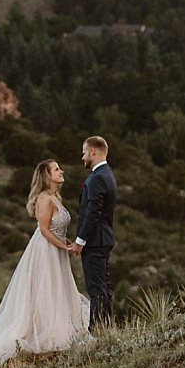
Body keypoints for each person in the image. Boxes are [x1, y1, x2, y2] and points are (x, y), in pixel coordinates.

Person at [0, 159, 89, 368]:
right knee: (45, 289)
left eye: (60, 167)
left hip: (57, 250)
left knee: (57, 290)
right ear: (46, 176)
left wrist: (66, 243)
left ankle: (54, 328)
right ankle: (42, 333)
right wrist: (64, 247)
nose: (61, 171)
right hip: (46, 251)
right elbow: (44, 230)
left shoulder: (55, 197)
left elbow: (55, 228)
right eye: (56, 169)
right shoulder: (44, 198)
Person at [72, 135, 117, 327]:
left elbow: (93, 213)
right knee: (103, 288)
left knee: (96, 288)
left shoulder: (98, 178)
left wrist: (80, 241)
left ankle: (97, 330)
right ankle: (106, 328)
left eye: (84, 153)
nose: (82, 158)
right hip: (103, 239)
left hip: (95, 241)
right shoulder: (107, 174)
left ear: (92, 151)